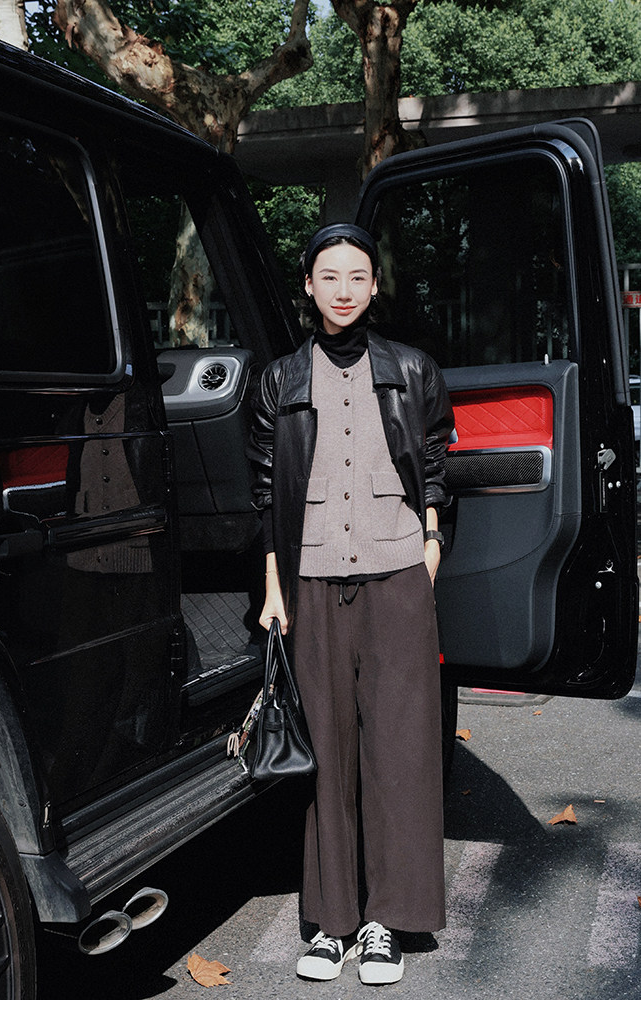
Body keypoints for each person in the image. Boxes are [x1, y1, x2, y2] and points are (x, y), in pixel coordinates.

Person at [247, 223, 454, 986]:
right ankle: (332, 924)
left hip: (398, 579)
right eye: (329, 276)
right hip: (310, 581)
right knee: (326, 754)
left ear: (374, 286)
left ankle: (386, 924)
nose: (343, 290)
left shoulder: (412, 370)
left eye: (357, 277)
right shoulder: (278, 381)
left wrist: (430, 547)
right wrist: (274, 588)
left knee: (401, 753)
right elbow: (265, 492)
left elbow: (435, 462)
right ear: (308, 285)